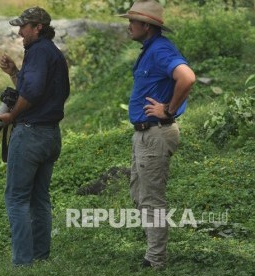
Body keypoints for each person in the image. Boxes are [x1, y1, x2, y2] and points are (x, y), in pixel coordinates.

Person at [117, 0, 196, 269]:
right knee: (139, 194)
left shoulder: (161, 50)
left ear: (147, 26)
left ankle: (155, 259)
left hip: (156, 132)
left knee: (151, 199)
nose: (129, 26)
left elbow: (187, 77)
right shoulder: (150, 49)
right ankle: (154, 247)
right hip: (144, 133)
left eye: (132, 21)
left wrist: (169, 110)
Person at [0, 6, 70, 267]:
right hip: (50, 134)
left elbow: (33, 94)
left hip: (30, 135)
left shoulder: (38, 52)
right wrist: (15, 73)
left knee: (16, 199)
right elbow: (34, 91)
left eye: (24, 27)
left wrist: (11, 116)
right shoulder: (52, 54)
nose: (19, 32)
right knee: (39, 198)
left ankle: (23, 263)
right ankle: (40, 257)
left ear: (38, 27)